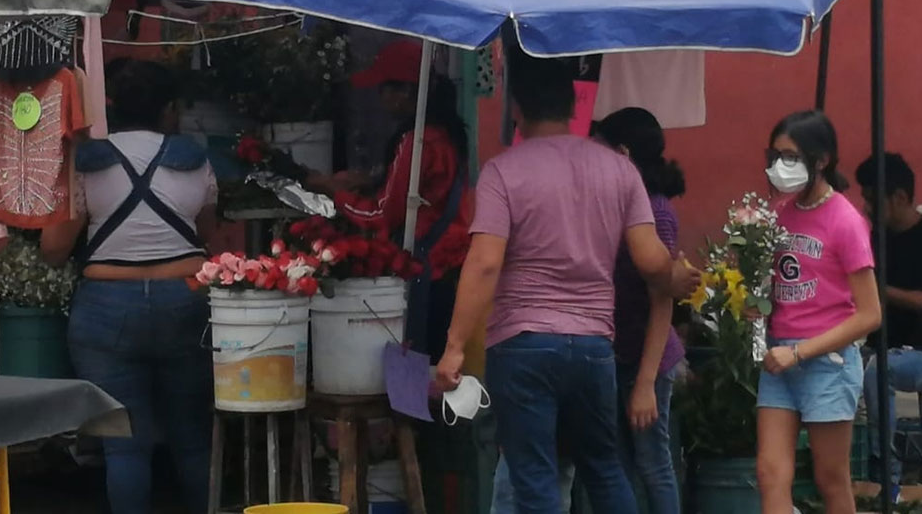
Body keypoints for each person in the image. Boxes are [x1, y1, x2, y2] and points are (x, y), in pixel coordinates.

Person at [435, 50, 700, 514]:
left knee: (535, 475)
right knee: (603, 467)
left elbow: (483, 264)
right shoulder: (619, 170)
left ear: (516, 109)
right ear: (574, 107)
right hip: (595, 347)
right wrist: (677, 277)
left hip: (523, 346)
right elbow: (651, 261)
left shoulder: (503, 171)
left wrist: (455, 346)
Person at [40, 60, 216, 514]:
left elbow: (54, 248)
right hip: (186, 301)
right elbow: (209, 237)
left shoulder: (87, 163)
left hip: (106, 311)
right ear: (169, 110)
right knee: (195, 441)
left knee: (124, 447)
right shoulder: (195, 161)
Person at [275, 40, 471, 362]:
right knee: (434, 374)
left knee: (416, 367)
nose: (380, 98)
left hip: (426, 272)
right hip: (449, 270)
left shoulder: (416, 141)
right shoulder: (447, 134)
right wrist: (368, 181)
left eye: (385, 88)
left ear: (407, 92)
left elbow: (382, 214)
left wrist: (331, 192)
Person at [756, 110, 881, 514]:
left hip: (826, 361)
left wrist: (800, 352)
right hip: (779, 360)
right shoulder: (778, 213)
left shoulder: (846, 221)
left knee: (831, 479)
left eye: (790, 157)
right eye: (774, 155)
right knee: (770, 474)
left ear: (821, 159)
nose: (779, 166)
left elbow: (869, 314)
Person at [854, 152, 922, 502]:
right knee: (836, 363)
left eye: (872, 199)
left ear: (899, 197)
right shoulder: (875, 237)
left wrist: (869, 287)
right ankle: (842, 470)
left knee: (877, 370)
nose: (867, 207)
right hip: (878, 347)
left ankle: (886, 477)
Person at [595, 107, 686, 513]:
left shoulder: (657, 213)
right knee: (618, 462)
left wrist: (646, 383)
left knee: (653, 463)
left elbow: (662, 301)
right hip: (616, 353)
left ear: (624, 154)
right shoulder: (612, 205)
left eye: (601, 153)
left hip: (649, 358)